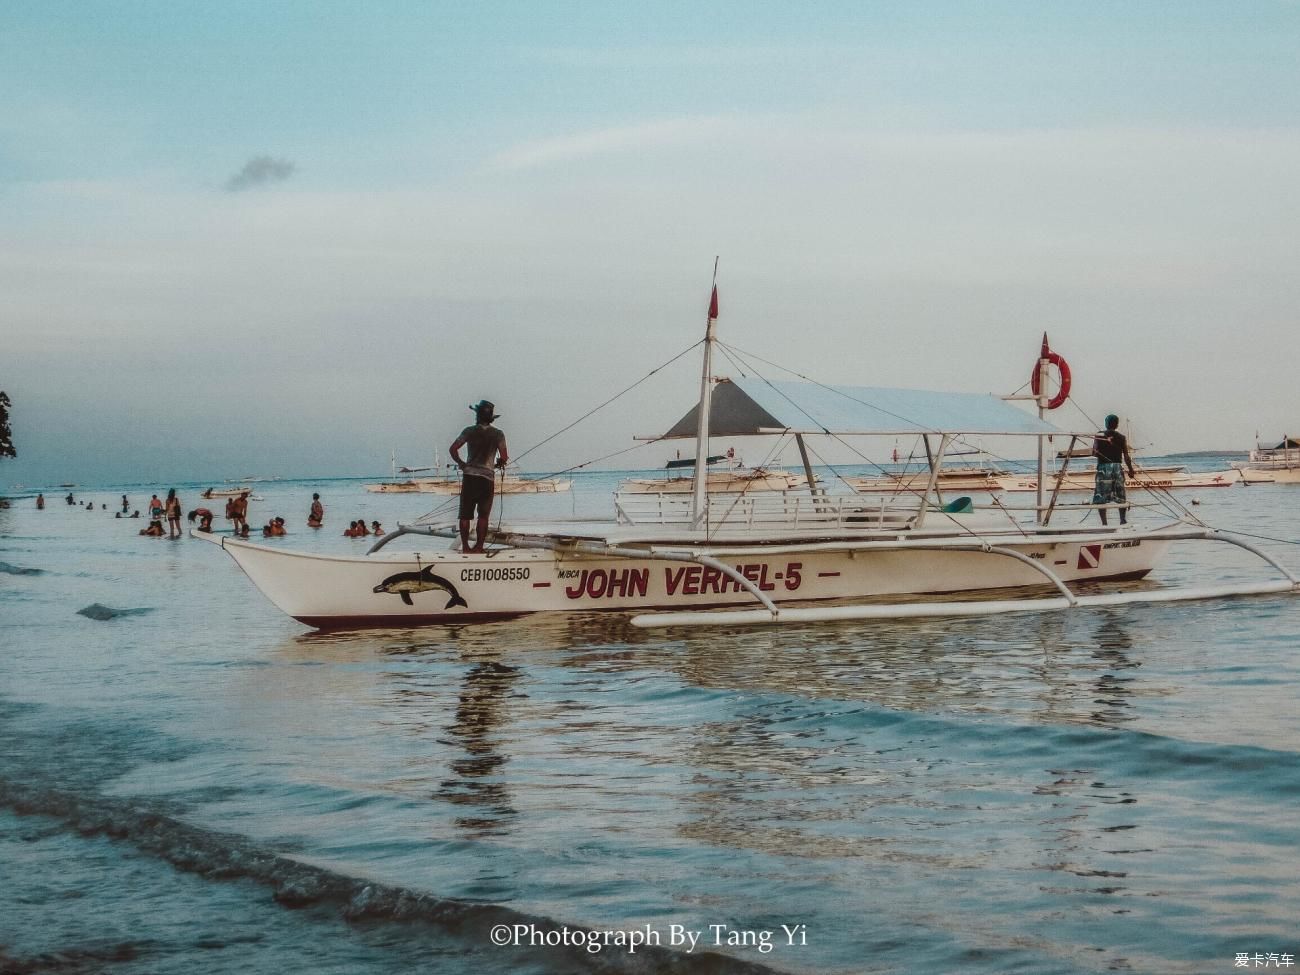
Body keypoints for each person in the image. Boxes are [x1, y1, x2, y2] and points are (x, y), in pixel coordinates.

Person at [449, 399, 508, 552]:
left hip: (470, 477)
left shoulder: (469, 431)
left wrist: (462, 464)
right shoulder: (498, 434)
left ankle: (466, 548)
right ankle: (479, 547)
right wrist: (499, 463)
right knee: (483, 516)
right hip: (487, 478)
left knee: (465, 515)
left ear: (477, 416)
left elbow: (453, 449)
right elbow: (504, 456)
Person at [1092, 414, 1136, 526]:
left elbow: (1094, 453)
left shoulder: (1099, 436)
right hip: (1117, 467)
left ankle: (1104, 523)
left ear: (1106, 424)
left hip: (1103, 467)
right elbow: (1126, 456)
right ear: (1116, 425)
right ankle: (1122, 519)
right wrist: (1131, 470)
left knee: (1101, 496)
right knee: (1120, 494)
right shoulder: (1122, 437)